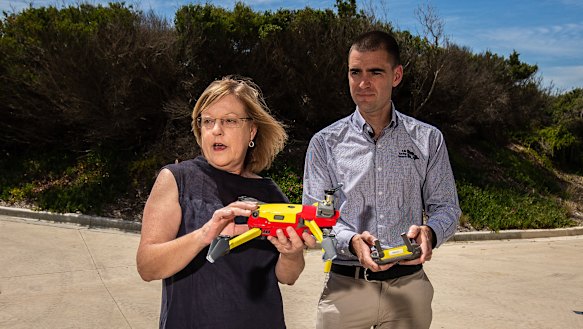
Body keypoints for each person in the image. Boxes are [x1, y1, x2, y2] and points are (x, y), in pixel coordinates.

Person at [302, 30, 461, 329]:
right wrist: (351, 242)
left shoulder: (428, 139)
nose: (363, 83)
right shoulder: (324, 143)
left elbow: (447, 208)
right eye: (355, 72)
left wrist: (431, 233)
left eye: (375, 72)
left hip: (409, 290)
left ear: (396, 75)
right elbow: (315, 219)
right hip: (345, 290)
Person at [137, 75, 316, 329]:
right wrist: (205, 234)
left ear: (252, 130)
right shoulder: (177, 180)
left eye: (230, 121)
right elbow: (147, 266)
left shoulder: (271, 195)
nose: (216, 130)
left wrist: (292, 253)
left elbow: (287, 277)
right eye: (208, 121)